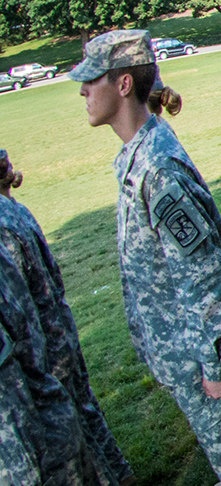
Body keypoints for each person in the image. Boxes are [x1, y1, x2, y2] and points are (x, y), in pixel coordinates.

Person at [73, 30, 221, 485]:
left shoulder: (157, 170)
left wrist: (215, 362)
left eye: (92, 81)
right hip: (182, 353)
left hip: (200, 357)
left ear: (124, 84)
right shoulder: (136, 156)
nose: (82, 91)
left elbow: (204, 271)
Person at [0, 151, 131, 486]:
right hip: (59, 335)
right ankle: (121, 474)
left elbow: (22, 309)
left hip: (46, 352)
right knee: (87, 416)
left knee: (78, 440)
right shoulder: (13, 210)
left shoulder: (2, 225)